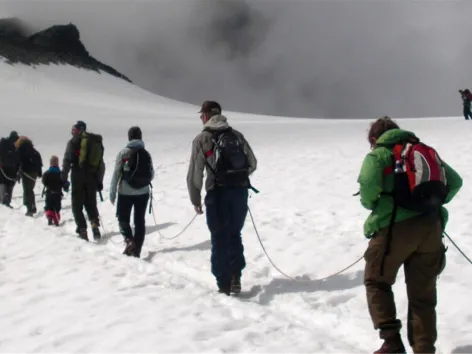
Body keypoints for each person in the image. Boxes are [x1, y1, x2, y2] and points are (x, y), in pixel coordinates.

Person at [357, 116, 463, 353]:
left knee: (376, 281)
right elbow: (455, 182)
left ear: (375, 138)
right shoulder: (423, 152)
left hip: (394, 229)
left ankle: (391, 342)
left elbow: (368, 191)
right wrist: (431, 201)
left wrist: (379, 204)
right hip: (431, 228)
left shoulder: (378, 156)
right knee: (423, 294)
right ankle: (424, 348)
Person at [186, 100, 257, 295]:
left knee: (219, 237)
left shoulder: (202, 139)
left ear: (207, 116)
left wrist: (195, 198)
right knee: (234, 233)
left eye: (202, 115)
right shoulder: (236, 135)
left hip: (217, 194)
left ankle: (223, 282)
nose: (201, 118)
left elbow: (195, 173)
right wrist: (237, 177)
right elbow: (252, 163)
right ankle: (236, 277)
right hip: (239, 193)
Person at [109, 126, 154, 258]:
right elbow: (151, 174)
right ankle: (137, 250)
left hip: (125, 192)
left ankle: (129, 241)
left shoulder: (123, 153)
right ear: (140, 137)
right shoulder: (146, 153)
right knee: (140, 220)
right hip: (144, 192)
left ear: (129, 137)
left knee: (123, 218)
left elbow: (116, 174)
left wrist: (112, 193)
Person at [61, 120, 105, 241]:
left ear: (78, 129)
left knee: (77, 205)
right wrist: (99, 180)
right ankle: (95, 225)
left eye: (74, 129)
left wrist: (63, 179)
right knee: (91, 203)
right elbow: (101, 164)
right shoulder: (94, 141)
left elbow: (66, 161)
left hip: (77, 176)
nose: (72, 131)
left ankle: (82, 230)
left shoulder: (73, 142)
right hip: (91, 177)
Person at [16, 136, 43, 216]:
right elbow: (39, 162)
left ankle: (29, 208)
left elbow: (18, 162)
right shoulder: (34, 151)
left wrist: (17, 172)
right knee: (30, 189)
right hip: (33, 173)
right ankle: (32, 206)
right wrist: (39, 173)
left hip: (25, 172)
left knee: (27, 190)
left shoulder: (20, 150)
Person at [42, 155, 69, 226]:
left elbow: (44, 182)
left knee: (49, 206)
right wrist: (66, 186)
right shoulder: (60, 173)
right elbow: (64, 182)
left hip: (49, 193)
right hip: (58, 193)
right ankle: (56, 218)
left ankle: (49, 217)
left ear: (50, 163)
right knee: (57, 206)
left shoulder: (46, 173)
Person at [0, 131, 20, 207]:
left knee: (5, 183)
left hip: (8, 168)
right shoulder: (12, 146)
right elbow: (17, 158)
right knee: (7, 184)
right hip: (9, 168)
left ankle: (5, 200)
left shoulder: (4, 144)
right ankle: (6, 200)